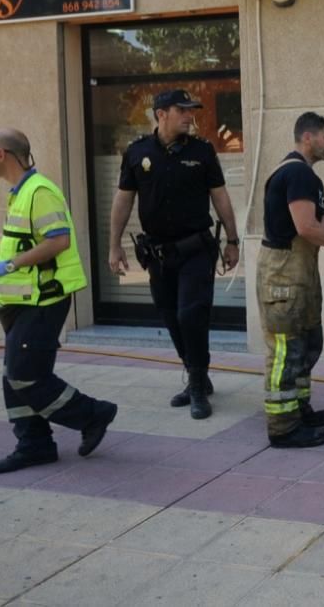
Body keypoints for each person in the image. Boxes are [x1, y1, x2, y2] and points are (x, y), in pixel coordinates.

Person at [0, 129, 118, 473]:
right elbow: (27, 244)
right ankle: (34, 443)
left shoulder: (40, 192)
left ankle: (93, 414)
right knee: (15, 373)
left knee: (26, 374)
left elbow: (59, 241)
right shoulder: (20, 194)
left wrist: (6, 265)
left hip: (44, 299)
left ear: (3, 154)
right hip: (25, 301)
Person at [108, 89, 240, 420]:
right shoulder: (137, 152)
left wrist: (232, 240)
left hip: (196, 248)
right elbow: (123, 200)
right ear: (161, 113)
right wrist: (114, 246)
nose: (189, 115)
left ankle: (196, 385)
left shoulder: (203, 151)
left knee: (191, 314)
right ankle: (198, 373)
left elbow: (220, 197)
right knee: (170, 316)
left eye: (191, 110)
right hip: (158, 253)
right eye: (182, 110)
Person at [256, 112, 324, 448]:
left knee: (308, 343)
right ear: (307, 137)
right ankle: (283, 426)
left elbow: (319, 224)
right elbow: (307, 227)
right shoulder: (297, 174)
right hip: (284, 276)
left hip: (298, 274)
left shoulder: (305, 176)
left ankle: (299, 408)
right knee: (286, 351)